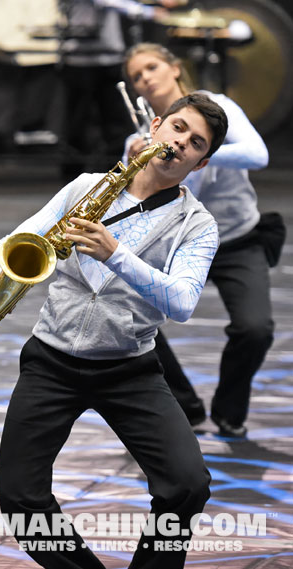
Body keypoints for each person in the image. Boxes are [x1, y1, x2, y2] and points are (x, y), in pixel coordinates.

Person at [0, 93, 228, 568]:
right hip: (51, 362)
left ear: (201, 163)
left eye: (195, 142)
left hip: (129, 369)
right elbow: (13, 241)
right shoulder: (87, 185)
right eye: (178, 128)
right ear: (157, 126)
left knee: (187, 486)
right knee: (20, 500)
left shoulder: (198, 225)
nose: (181, 143)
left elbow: (182, 303)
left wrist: (115, 254)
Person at [123, 42, 272, 438]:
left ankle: (229, 411)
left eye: (152, 67)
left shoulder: (218, 106)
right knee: (130, 318)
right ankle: (184, 407)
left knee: (256, 329)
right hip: (178, 243)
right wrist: (140, 158)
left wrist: (190, 151)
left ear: (174, 68)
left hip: (237, 237)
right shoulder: (143, 135)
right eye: (136, 76)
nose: (145, 79)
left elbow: (257, 155)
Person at [59, 0, 182, 182]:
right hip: (79, 60)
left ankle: (116, 176)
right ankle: (73, 180)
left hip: (109, 58)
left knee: (116, 122)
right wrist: (146, 11)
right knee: (78, 123)